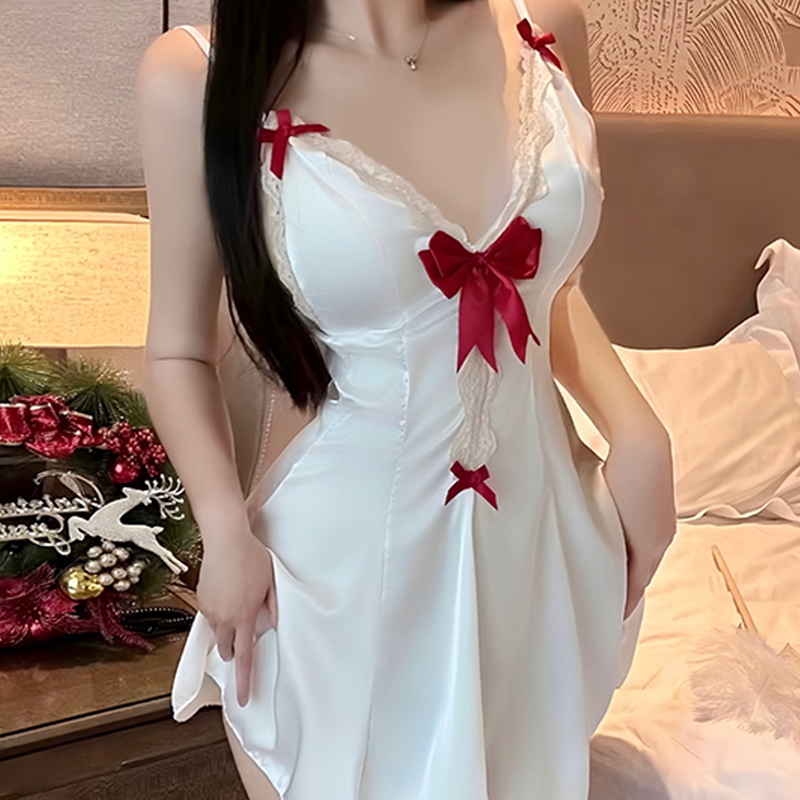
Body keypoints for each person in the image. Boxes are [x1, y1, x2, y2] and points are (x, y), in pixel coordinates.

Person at [135, 0, 676, 798]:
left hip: (535, 555)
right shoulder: (196, 78)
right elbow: (179, 351)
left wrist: (638, 429)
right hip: (342, 585)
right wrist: (221, 529)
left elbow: (549, 287)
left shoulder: (544, 27)